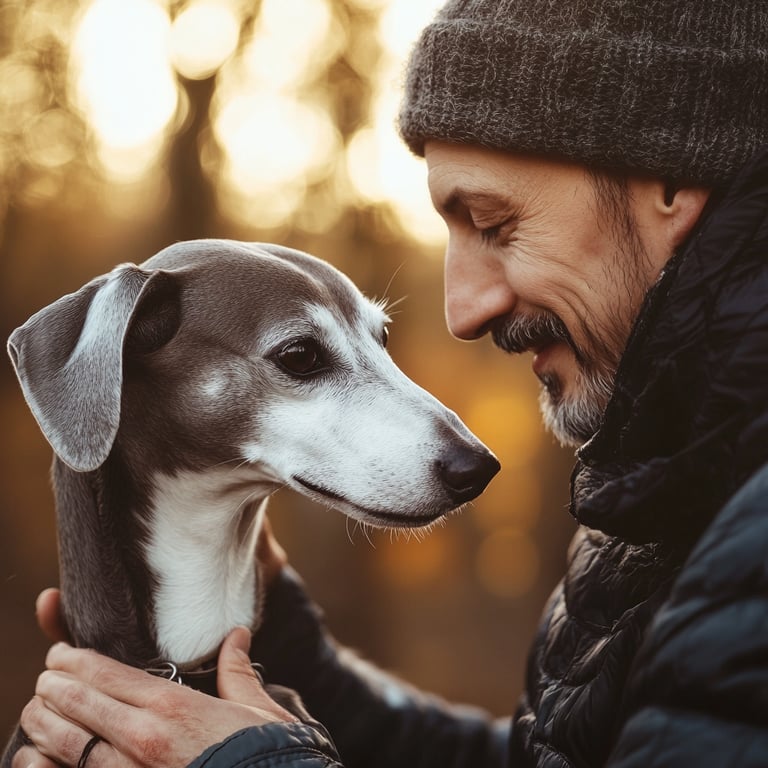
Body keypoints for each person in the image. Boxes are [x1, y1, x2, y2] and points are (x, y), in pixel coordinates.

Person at [11, 0, 768, 765]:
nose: (463, 310)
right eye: (304, 359)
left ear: (670, 183)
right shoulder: (683, 499)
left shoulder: (744, 535)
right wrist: (283, 667)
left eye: (495, 223)